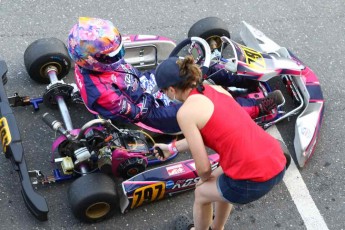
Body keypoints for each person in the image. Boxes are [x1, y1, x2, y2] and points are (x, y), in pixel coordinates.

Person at [67, 17, 283, 134]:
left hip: (144, 84)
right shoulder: (102, 92)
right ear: (93, 60)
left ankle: (247, 77)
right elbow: (136, 113)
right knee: (208, 106)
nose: (119, 55)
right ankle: (257, 107)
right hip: (151, 112)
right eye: (112, 54)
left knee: (194, 66)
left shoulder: (96, 62)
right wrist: (172, 91)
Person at [153, 56, 287, 230]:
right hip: (276, 159)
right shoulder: (215, 89)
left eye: (163, 91)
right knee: (218, 184)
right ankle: (217, 227)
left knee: (201, 193)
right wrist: (171, 148)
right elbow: (213, 131)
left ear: (171, 90)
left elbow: (204, 169)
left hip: (254, 177)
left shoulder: (186, 113)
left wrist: (204, 181)